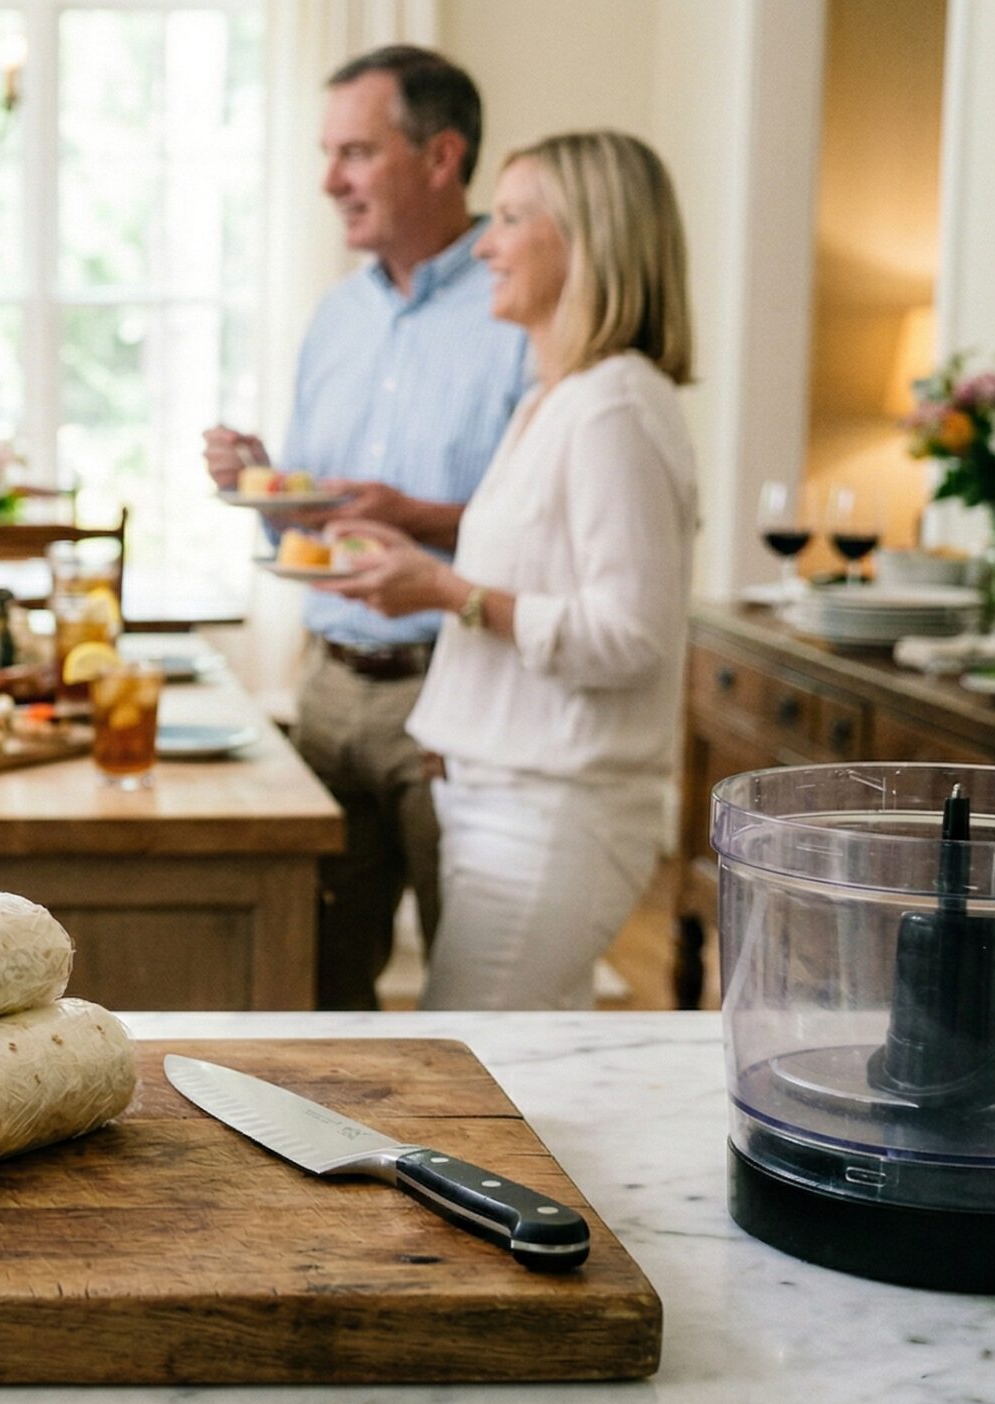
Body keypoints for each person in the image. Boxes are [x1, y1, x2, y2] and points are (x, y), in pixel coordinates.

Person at [323, 130, 696, 1010]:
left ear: (589, 241)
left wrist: (446, 590)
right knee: (525, 1071)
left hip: (553, 817)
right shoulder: (552, 398)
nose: (486, 242)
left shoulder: (614, 406)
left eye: (514, 218)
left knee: (464, 1065)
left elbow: (630, 638)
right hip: (500, 802)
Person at [200, 46, 531, 1011]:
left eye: (355, 152)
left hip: (458, 691)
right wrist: (267, 480)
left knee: (469, 990)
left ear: (441, 156)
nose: (329, 180)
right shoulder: (337, 317)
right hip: (328, 684)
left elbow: (544, 528)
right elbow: (323, 523)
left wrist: (413, 515)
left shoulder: (521, 306)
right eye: (327, 152)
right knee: (318, 976)